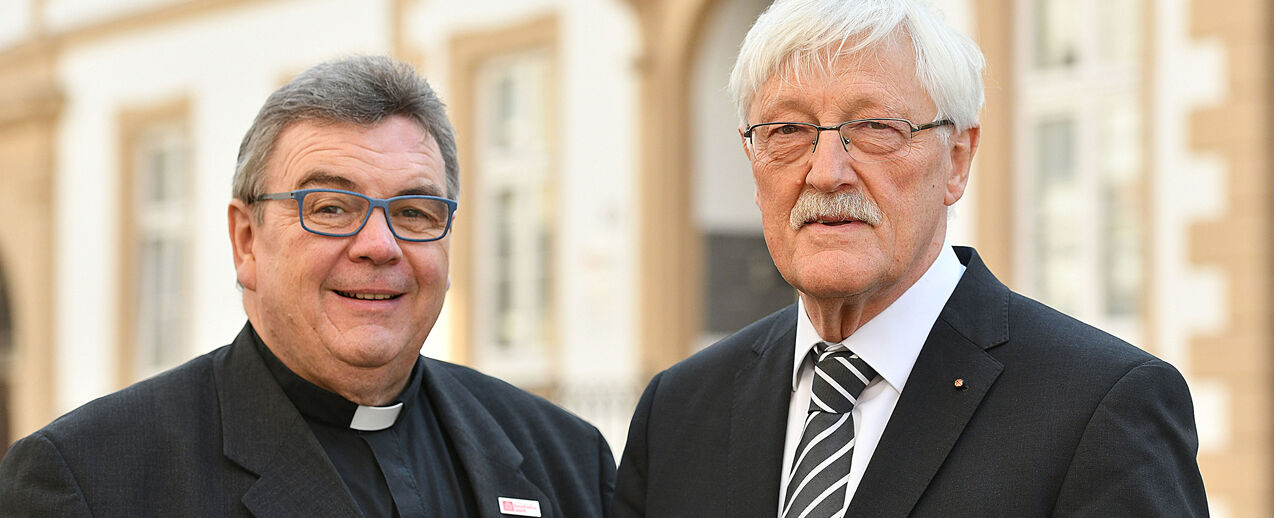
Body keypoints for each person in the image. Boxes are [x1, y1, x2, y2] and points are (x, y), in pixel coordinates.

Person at [613, 1, 1207, 516]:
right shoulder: (679, 412)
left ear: (956, 159)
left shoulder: (1098, 410)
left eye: (875, 127)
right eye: (788, 130)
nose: (825, 172)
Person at [0, 56, 615, 517]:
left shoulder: (564, 458)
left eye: (415, 212)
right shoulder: (93, 479)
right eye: (330, 208)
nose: (380, 245)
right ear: (246, 241)